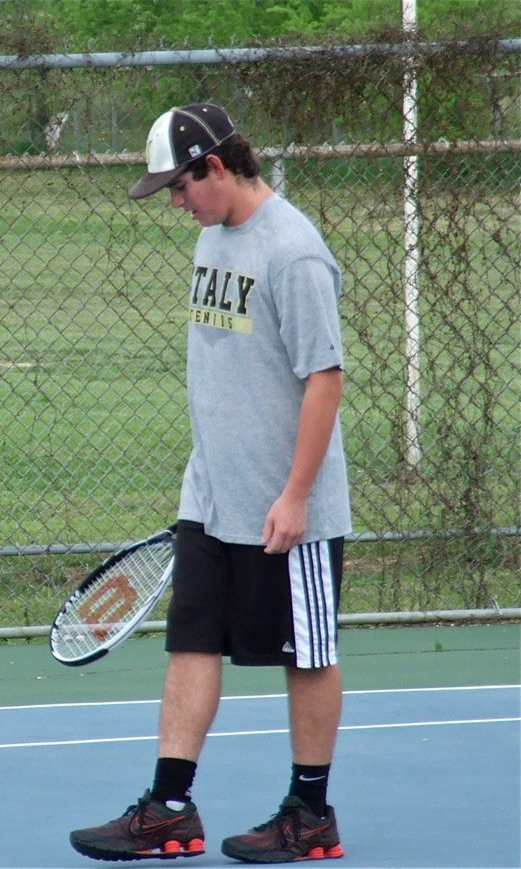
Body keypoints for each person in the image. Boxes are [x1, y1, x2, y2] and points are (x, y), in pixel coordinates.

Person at [70, 104, 351, 863]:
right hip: (211, 499)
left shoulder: (293, 252)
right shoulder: (210, 238)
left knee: (306, 654)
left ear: (217, 167)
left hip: (290, 508)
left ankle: (311, 811)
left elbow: (324, 380)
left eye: (180, 185)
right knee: (191, 641)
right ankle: (169, 806)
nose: (175, 201)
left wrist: (294, 496)